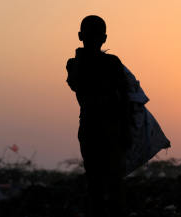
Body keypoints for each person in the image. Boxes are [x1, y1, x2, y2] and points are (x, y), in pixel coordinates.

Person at [66, 15, 131, 217]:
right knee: (94, 182)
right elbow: (75, 84)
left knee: (114, 181)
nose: (93, 38)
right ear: (80, 36)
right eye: (88, 33)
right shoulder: (74, 64)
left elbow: (125, 97)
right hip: (89, 129)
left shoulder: (112, 62)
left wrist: (126, 129)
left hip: (113, 128)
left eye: (98, 34)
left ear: (104, 38)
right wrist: (81, 57)